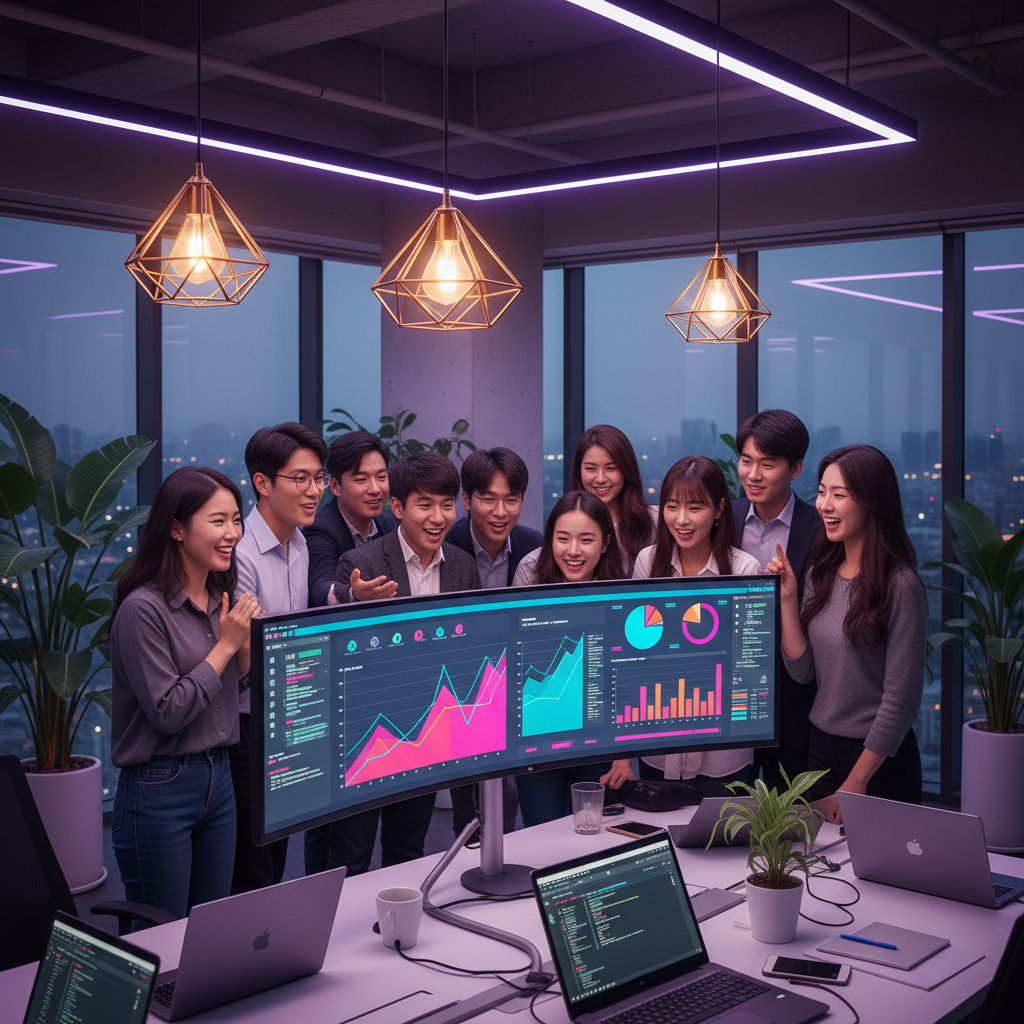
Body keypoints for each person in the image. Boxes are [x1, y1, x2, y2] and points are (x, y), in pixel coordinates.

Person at [110, 467, 263, 920]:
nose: (232, 533)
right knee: (160, 932)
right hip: (159, 789)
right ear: (176, 529)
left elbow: (229, 690)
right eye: (218, 521)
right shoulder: (143, 609)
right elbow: (169, 710)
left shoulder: (221, 597)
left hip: (220, 777)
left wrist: (244, 653)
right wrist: (227, 646)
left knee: (208, 927)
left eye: (236, 520)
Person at [318, 451, 479, 875]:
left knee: (407, 852)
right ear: (399, 507)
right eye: (425, 505)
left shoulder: (461, 566)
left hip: (425, 735)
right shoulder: (363, 565)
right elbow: (341, 657)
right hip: (366, 739)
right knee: (350, 858)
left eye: (446, 505)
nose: (438, 517)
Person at [767, 445, 926, 824]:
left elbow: (901, 701)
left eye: (839, 495)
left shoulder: (900, 585)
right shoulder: (821, 572)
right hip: (820, 753)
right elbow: (803, 671)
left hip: (878, 761)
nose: (825, 505)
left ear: (872, 503)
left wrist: (857, 780)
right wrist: (787, 599)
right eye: (822, 492)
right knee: (820, 860)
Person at [605, 457, 760, 798]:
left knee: (717, 832)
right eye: (672, 506)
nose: (682, 519)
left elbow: (747, 669)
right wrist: (623, 751)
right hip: (657, 744)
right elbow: (633, 661)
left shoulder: (744, 570)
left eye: (695, 507)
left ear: (719, 509)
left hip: (722, 751)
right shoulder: (648, 562)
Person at [231, 422, 327, 894]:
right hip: (249, 724)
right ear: (262, 483)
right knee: (252, 862)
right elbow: (244, 654)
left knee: (278, 849)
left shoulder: (301, 543)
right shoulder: (241, 554)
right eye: (300, 479)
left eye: (319, 478)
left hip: (290, 717)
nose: (314, 491)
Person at [512, 491, 625, 826]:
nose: (573, 551)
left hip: (598, 744)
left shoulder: (622, 589)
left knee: (595, 838)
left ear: (605, 544)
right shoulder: (530, 573)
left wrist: (623, 755)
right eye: (563, 539)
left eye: (586, 540)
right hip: (538, 742)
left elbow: (627, 678)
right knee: (541, 836)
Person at [446, 447, 541, 838]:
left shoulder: (535, 548)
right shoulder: (445, 545)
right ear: (467, 500)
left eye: (511, 500)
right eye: (488, 499)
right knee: (469, 809)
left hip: (520, 688)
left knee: (514, 800)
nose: (501, 512)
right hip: (461, 692)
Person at [731, 410, 822, 792]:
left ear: (795, 468)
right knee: (724, 814)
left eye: (767, 464)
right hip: (731, 698)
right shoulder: (724, 519)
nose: (753, 474)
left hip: (792, 703)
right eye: (746, 461)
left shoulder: (819, 530)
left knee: (792, 816)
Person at [305, 431, 396, 608]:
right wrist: (351, 594)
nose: (375, 489)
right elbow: (320, 587)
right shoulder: (320, 530)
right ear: (335, 486)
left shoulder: (388, 524)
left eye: (381, 477)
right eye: (361, 479)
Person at [570, 424, 657, 575]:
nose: (601, 479)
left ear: (626, 470)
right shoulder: (567, 521)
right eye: (590, 469)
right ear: (579, 471)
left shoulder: (654, 520)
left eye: (611, 468)